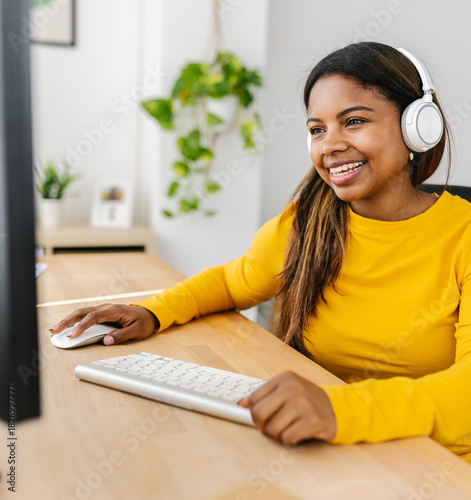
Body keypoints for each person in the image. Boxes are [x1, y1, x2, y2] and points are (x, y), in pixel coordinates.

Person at [51, 42, 471, 464]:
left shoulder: (463, 236)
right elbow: (232, 282)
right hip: (335, 448)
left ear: (419, 127)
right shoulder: (307, 222)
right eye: (317, 129)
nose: (330, 145)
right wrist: (153, 312)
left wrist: (340, 410)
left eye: (354, 121)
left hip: (436, 463)